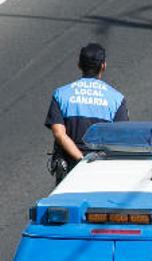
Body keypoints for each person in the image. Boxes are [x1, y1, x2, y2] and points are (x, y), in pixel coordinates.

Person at [45, 43, 128, 184]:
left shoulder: (61, 94)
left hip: (70, 168)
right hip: (102, 169)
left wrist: (81, 160)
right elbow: (120, 138)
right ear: (103, 66)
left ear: (79, 65)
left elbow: (59, 133)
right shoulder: (116, 98)